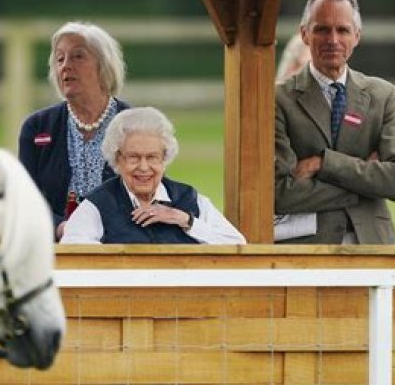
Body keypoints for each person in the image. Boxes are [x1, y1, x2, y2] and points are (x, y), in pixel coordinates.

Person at [274, 0, 395, 244]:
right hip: (306, 248)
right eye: (322, 29)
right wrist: (366, 184)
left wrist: (323, 164)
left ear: (357, 36)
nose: (333, 40)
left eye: (343, 30)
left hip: (373, 245)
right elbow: (280, 192)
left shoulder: (383, 96)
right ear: (304, 34)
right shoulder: (279, 99)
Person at [61, 107, 245, 244]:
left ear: (164, 159)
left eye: (152, 157)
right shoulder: (98, 204)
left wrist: (186, 221)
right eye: (134, 157)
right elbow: (74, 252)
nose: (143, 167)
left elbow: (237, 245)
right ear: (117, 160)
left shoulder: (190, 199)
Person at [19, 21, 131, 240]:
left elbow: (149, 194)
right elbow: (24, 199)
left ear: (104, 65)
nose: (65, 66)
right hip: (55, 246)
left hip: (120, 245)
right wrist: (61, 229)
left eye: (77, 57)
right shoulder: (36, 127)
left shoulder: (135, 124)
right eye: (60, 59)